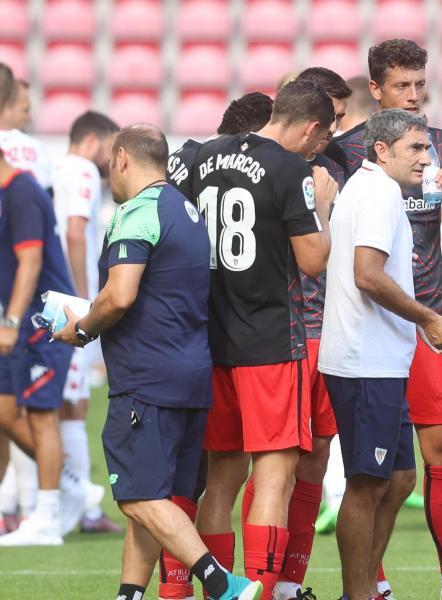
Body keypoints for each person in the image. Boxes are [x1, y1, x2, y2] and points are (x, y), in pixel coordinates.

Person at [49, 124, 263, 600]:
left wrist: (82, 327)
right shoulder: (186, 211)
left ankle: (221, 584)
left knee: (138, 497)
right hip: (190, 375)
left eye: (110, 165)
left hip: (146, 379)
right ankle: (129, 595)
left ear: (122, 158)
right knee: (153, 502)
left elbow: (120, 295)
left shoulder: (138, 212)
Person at [335, 38, 442, 599]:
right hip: (370, 326)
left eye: (421, 84)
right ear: (375, 90)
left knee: (441, 450)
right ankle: (363, 580)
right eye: (402, 85)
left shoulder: (438, 144)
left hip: (427, 319)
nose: (415, 95)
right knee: (372, 473)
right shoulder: (347, 151)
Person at [183, 78, 337, 593]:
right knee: (274, 477)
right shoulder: (291, 169)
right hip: (272, 342)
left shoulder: (205, 156)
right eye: (322, 140)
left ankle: (220, 590)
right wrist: (325, 208)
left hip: (212, 340)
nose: (321, 151)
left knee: (222, 479)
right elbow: (313, 262)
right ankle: (264, 591)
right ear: (311, 127)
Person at [158, 90, 279, 600]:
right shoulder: (272, 171)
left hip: (184, 336)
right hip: (254, 338)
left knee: (191, 475)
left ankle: (176, 590)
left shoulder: (183, 164)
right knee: (253, 470)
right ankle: (252, 588)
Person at [0, 62, 76, 547]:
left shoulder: (22, 190)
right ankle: (69, 490)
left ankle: (52, 508)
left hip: (44, 320)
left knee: (42, 415)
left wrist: (10, 321)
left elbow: (30, 264)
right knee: (4, 414)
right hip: (18, 321)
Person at [52, 110, 123, 536]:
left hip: (52, 297)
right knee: (72, 407)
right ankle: (85, 504)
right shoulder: (79, 169)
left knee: (58, 407)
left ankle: (47, 499)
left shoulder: (57, 169)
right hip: (69, 303)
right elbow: (76, 233)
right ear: (94, 141)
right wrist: (83, 296)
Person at [0, 76, 53, 189]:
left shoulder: (35, 145)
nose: (30, 118)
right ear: (6, 106)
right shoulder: (34, 146)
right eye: (25, 110)